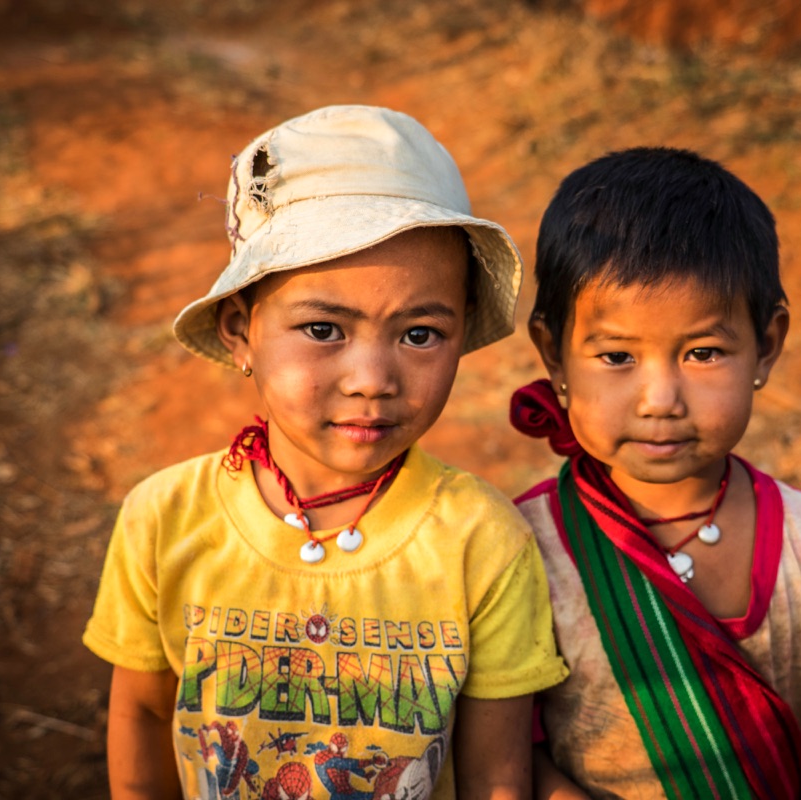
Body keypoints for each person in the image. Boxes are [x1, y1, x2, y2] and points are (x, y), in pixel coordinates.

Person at [83, 105, 568, 800]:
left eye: (421, 334)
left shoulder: (482, 543)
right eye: (322, 328)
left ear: (462, 336)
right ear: (240, 332)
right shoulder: (163, 520)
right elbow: (145, 708)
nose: (372, 378)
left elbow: (495, 776)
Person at [509, 147, 801, 800]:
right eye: (617, 355)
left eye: (703, 352)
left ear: (767, 346)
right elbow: (507, 748)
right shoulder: (522, 552)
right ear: (555, 355)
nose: (661, 398)